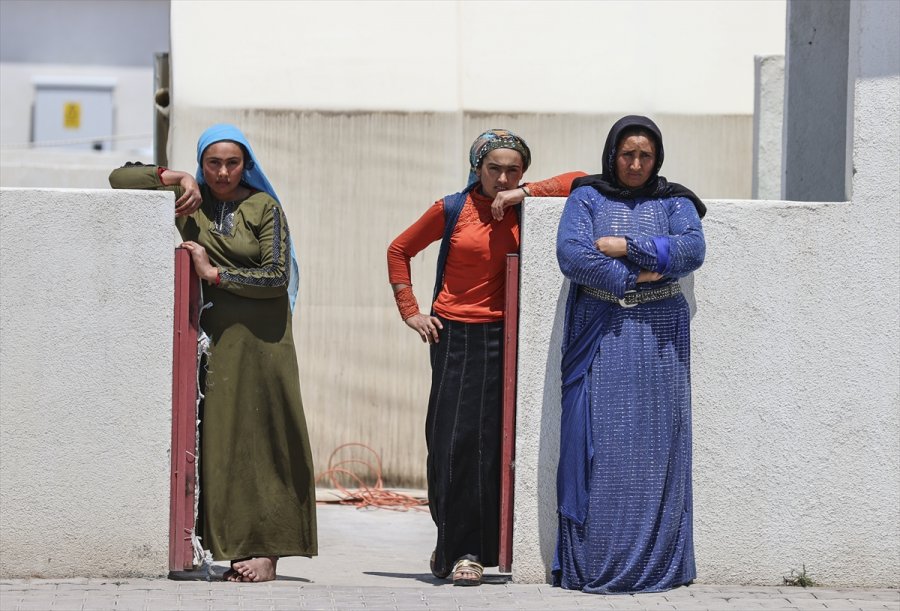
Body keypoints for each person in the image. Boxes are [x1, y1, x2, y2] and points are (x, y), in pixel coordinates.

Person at [109, 124, 316, 583]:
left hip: (263, 342)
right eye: (212, 163)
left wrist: (212, 271)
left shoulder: (264, 207)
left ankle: (269, 552)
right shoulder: (191, 202)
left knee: (266, 440)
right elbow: (117, 180)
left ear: (247, 165)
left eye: (232, 163)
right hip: (212, 344)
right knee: (219, 444)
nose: (222, 173)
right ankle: (223, 545)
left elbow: (276, 276)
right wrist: (178, 177)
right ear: (202, 162)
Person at [387, 129, 585, 586]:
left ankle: (475, 551)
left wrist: (524, 193)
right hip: (453, 337)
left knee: (493, 447)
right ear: (477, 168)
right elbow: (399, 250)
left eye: (512, 169)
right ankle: (455, 548)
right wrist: (411, 312)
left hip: (505, 338)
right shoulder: (452, 209)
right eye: (493, 168)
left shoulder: (525, 207)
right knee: (452, 443)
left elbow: (581, 180)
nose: (501, 176)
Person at [553, 115, 706, 594]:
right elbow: (572, 255)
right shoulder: (587, 197)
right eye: (627, 154)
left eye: (645, 155)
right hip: (602, 332)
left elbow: (691, 250)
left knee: (659, 446)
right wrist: (637, 275)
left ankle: (659, 563)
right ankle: (596, 562)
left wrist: (623, 246)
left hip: (661, 336)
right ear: (612, 155)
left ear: (657, 157)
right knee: (603, 446)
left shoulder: (676, 201)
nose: (636, 163)